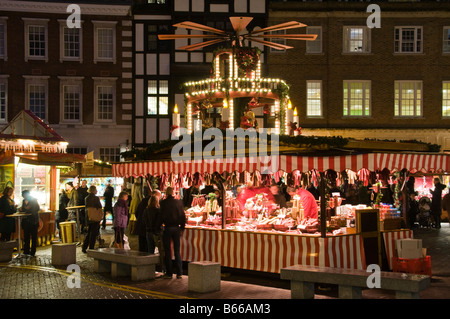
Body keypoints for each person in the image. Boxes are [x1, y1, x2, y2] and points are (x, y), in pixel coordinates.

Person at [160, 187, 186, 279]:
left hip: (167, 228)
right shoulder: (178, 202)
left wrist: (159, 227)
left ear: (166, 194)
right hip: (176, 228)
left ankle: (169, 273)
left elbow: (160, 216)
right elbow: (183, 216)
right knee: (177, 251)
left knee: (167, 251)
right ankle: (179, 272)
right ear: (174, 193)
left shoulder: (163, 203)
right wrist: (182, 228)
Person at [145, 194, 165, 273]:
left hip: (148, 232)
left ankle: (150, 268)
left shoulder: (146, 210)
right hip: (156, 233)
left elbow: (144, 221)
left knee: (150, 250)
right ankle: (162, 268)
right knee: (161, 251)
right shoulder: (158, 211)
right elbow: (159, 221)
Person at [82, 186, 103, 253]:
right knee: (93, 233)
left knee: (88, 233)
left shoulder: (86, 198)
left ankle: (84, 247)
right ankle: (91, 247)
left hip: (89, 217)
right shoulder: (96, 198)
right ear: (94, 190)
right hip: (95, 217)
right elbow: (99, 206)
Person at [20, 190, 40, 257]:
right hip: (26, 221)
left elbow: (36, 208)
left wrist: (27, 209)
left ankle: (32, 252)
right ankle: (26, 251)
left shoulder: (34, 200)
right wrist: (22, 209)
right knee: (26, 237)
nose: (24, 196)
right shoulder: (23, 201)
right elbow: (23, 208)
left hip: (33, 221)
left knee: (34, 237)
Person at [133, 187, 151, 252]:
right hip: (146, 227)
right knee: (147, 245)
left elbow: (136, 213)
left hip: (140, 226)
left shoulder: (141, 202)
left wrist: (139, 219)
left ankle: (141, 255)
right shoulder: (150, 205)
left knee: (141, 243)